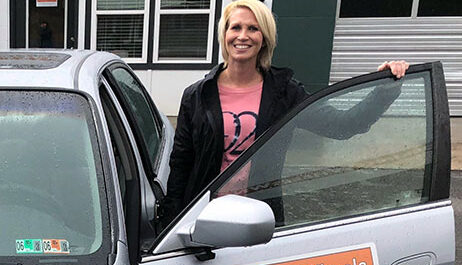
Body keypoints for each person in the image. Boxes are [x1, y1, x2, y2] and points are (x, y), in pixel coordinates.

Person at [163, 0, 409, 224]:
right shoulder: (197, 96)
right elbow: (181, 163)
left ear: (265, 38)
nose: (243, 36)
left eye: (253, 28)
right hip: (204, 217)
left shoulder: (284, 93)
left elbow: (342, 125)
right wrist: (172, 222)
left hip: (258, 216)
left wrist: (384, 89)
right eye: (235, 27)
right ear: (224, 34)